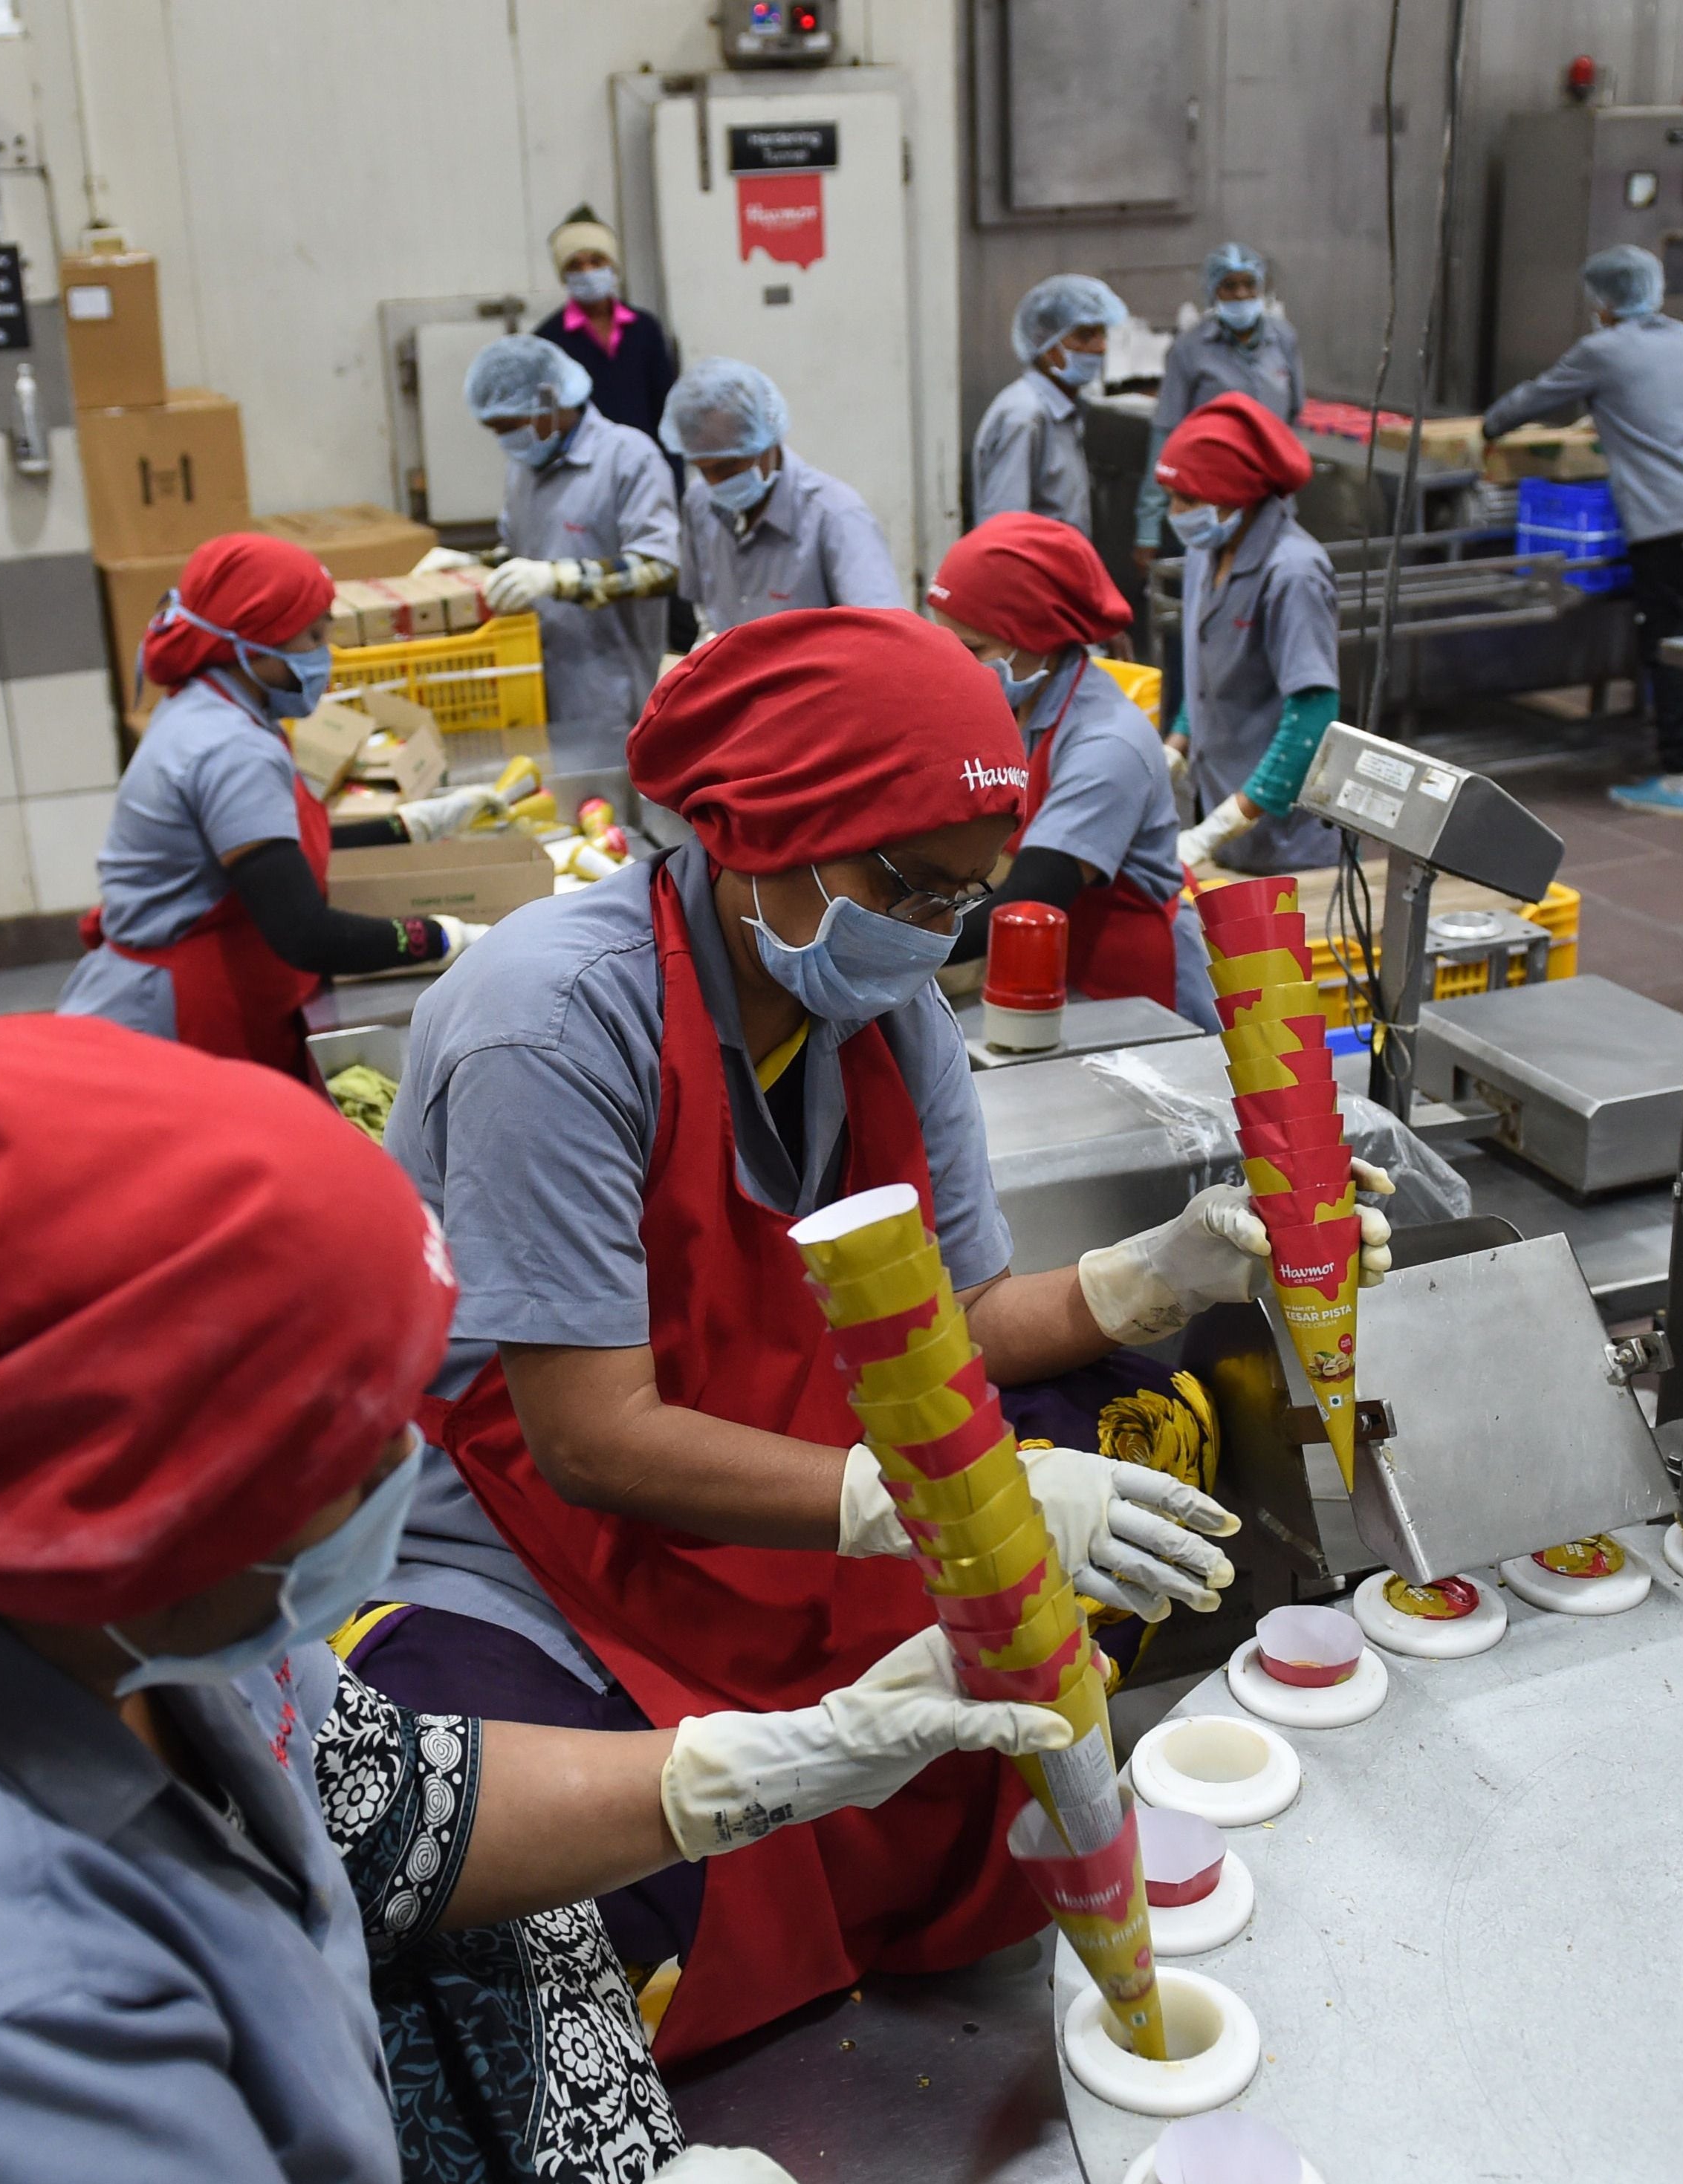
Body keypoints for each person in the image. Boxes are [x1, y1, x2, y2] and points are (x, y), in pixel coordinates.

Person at [0, 1015, 1071, 2184]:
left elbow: (379, 1802)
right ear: (145, 1505)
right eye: (355, 1436)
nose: (408, 1464)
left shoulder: (39, 1601)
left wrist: (788, 1756)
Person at [384, 609, 1395, 2058]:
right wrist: (922, 1505)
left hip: (780, 1482)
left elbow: (963, 1323)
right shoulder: (550, 1025)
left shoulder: (883, 1012)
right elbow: (588, 1439)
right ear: (757, 834)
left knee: (1090, 1504)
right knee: (572, 1902)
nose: (927, 936)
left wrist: (1155, 1281)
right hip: (535, 1537)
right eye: (906, 888)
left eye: (958, 902)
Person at [55, 533, 499, 1080]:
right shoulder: (231, 748)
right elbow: (303, 932)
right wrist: (443, 937)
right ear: (251, 642)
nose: (325, 655)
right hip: (180, 1018)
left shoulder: (211, 706)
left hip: (187, 985)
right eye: (311, 637)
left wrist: (406, 827)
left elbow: (270, 853)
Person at [927, 513, 1217, 1030]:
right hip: (1056, 972)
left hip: (1133, 991)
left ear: (1038, 638)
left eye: (972, 650)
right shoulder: (1015, 709)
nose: (955, 668)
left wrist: (896, 946)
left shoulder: (1105, 745)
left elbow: (1031, 897)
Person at [1482, 243, 1683, 816]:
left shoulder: (1601, 350)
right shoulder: (1680, 337)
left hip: (1666, 523)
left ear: (1602, 299)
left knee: (1669, 652)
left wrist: (1488, 425)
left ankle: (1676, 777)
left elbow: (1533, 399)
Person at [458, 337, 681, 778]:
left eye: (510, 425)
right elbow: (528, 552)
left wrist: (561, 579)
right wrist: (469, 565)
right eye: (495, 430)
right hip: (534, 682)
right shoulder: (525, 468)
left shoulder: (627, 457)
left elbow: (661, 567)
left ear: (550, 400)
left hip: (607, 693)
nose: (505, 440)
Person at [1161, 394, 1343, 877]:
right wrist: (1174, 748)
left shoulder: (1293, 574)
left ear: (1235, 495)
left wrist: (1226, 821)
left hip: (1288, 847)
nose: (1175, 512)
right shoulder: (1206, 551)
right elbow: (1205, 670)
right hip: (1224, 823)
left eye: (1189, 500)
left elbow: (1312, 718)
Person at [661, 357, 902, 633]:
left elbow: (885, 636)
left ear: (769, 439)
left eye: (729, 465)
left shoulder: (835, 517)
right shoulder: (700, 502)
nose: (716, 482)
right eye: (704, 469)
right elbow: (703, 608)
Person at [1134, 243, 1303, 573]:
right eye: (1229, 286)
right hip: (1213, 503)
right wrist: (1148, 529)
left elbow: (1292, 418)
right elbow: (1166, 438)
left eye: (1249, 285)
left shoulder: (1282, 339)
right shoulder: (1190, 349)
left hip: (1272, 504)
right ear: (1213, 292)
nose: (1241, 295)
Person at [972, 274, 1126, 535]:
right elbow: (1005, 530)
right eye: (1085, 336)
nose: (1101, 347)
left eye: (1103, 334)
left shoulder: (1065, 409)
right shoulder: (1024, 417)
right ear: (1047, 345)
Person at [534, 207, 681, 454]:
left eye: (596, 261)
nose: (587, 272)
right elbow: (548, 422)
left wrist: (673, 474)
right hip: (583, 469)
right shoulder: (548, 340)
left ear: (612, 266)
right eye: (575, 265)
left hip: (646, 461)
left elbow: (666, 407)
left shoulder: (644, 329)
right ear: (563, 275)